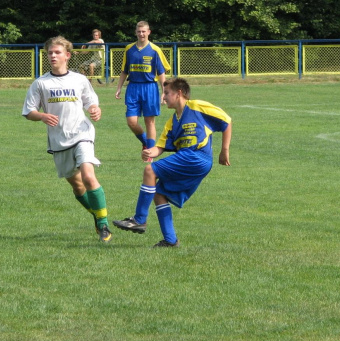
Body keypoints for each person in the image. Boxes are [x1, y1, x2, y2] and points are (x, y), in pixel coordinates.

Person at [113, 78, 232, 247]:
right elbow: (160, 147)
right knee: (159, 193)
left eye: (167, 93)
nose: (164, 97)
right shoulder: (172, 121)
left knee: (150, 171)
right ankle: (170, 240)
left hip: (196, 157)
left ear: (179, 93)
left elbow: (226, 121)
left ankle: (139, 219)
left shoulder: (197, 106)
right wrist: (149, 151)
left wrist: (224, 150)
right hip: (191, 160)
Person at [21, 36, 113, 243]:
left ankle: (104, 225)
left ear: (68, 55)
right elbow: (28, 111)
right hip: (59, 140)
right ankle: (98, 215)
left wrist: (95, 110)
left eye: (57, 52)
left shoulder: (79, 79)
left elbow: (91, 101)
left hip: (82, 134)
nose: (53, 56)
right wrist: (42, 116)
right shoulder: (40, 83)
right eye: (50, 53)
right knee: (78, 187)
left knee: (89, 176)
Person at [115, 21, 171, 162]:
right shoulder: (129, 49)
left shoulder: (155, 49)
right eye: (139, 31)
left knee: (149, 122)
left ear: (149, 32)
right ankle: (145, 142)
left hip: (150, 88)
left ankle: (150, 153)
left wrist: (164, 91)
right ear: (136, 32)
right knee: (131, 121)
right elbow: (124, 71)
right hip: (133, 87)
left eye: (144, 31)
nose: (141, 34)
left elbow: (161, 72)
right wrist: (119, 87)